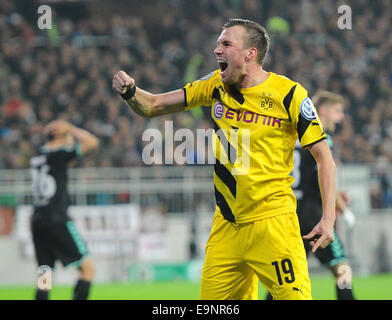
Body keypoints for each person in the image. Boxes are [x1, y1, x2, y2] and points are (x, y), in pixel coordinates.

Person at [112, 18, 337, 300]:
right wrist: (131, 92)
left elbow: (324, 158)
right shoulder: (215, 85)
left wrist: (328, 218)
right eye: (218, 43)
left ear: (250, 54)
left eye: (226, 43)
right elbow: (153, 105)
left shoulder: (290, 94)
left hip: (272, 224)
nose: (217, 50)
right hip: (226, 228)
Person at [266, 91, 355, 300]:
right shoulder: (320, 140)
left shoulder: (291, 135)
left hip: (288, 215)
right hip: (314, 217)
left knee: (287, 276)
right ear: (322, 111)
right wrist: (344, 210)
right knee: (341, 267)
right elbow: (326, 180)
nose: (341, 116)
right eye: (337, 111)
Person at [30, 120, 99, 300]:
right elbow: (92, 142)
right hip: (57, 219)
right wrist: (71, 128)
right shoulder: (60, 155)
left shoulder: (37, 156)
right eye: (68, 137)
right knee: (88, 270)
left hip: (38, 221)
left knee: (45, 275)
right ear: (61, 136)